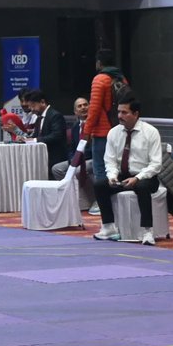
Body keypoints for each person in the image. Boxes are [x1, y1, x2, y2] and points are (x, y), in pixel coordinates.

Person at [93, 92, 165, 246]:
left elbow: (156, 164)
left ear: (135, 114)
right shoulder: (113, 132)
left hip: (146, 176)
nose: (120, 115)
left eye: (124, 112)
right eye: (118, 111)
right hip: (122, 175)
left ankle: (147, 231)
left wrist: (137, 177)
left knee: (142, 187)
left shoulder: (150, 132)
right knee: (99, 185)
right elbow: (110, 160)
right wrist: (112, 176)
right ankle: (108, 226)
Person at [82, 48, 127, 185]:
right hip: (119, 130)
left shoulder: (99, 79)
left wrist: (87, 131)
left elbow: (94, 109)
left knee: (100, 169)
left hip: (102, 132)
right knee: (116, 168)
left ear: (99, 63)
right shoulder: (122, 78)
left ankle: (102, 202)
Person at [53, 96, 97, 212]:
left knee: (78, 170)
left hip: (93, 158)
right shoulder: (75, 127)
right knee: (57, 169)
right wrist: (73, 159)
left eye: (85, 105)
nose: (83, 108)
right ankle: (72, 198)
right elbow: (71, 148)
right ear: (75, 112)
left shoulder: (96, 125)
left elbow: (95, 148)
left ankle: (95, 200)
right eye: (80, 106)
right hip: (78, 158)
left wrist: (79, 159)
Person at [18, 89, 68, 176]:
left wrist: (34, 140)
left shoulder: (55, 115)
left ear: (42, 102)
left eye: (33, 106)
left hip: (55, 158)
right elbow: (35, 136)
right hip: (43, 158)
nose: (31, 109)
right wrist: (26, 139)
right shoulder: (39, 118)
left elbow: (56, 136)